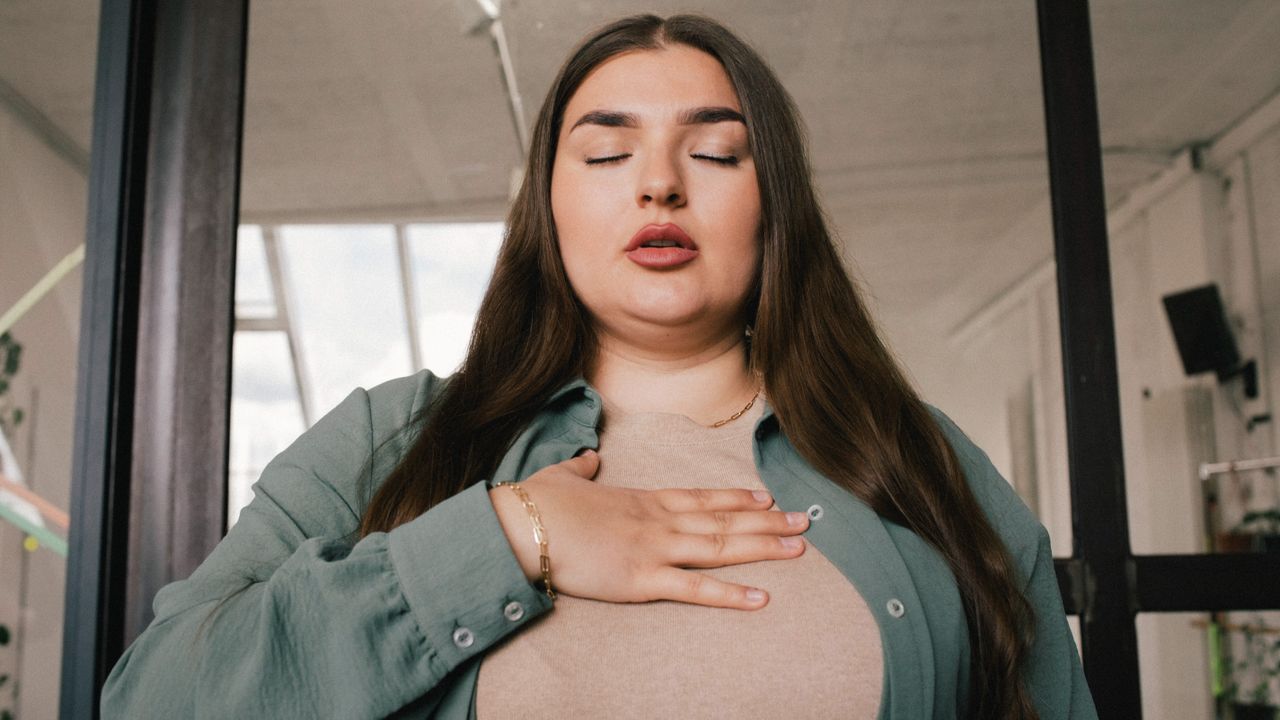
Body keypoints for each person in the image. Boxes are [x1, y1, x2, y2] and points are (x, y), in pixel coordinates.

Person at [101, 13, 1097, 720]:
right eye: (605, 154)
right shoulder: (388, 442)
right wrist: (506, 536)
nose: (658, 183)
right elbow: (153, 700)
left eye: (714, 155)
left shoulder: (914, 457)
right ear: (549, 207)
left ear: (773, 208)